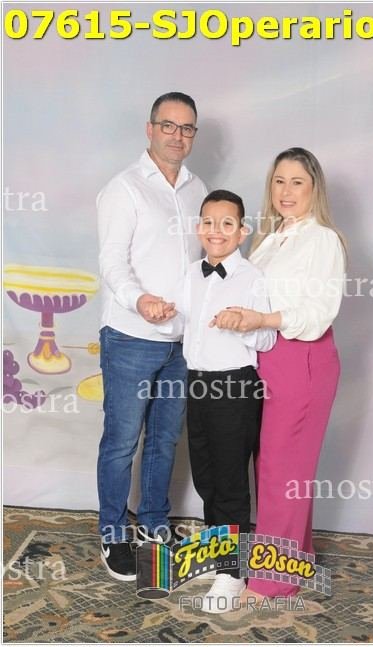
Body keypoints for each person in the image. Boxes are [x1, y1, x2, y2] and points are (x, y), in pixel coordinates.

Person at [212, 148, 346, 600]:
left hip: (303, 360)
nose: (286, 191)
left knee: (280, 469)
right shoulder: (270, 240)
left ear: (314, 188)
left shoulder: (322, 239)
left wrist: (261, 320)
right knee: (275, 465)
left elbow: (319, 313)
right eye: (279, 181)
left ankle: (272, 580)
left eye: (297, 182)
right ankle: (297, 558)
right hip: (268, 359)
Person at [97, 92, 207, 582]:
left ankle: (154, 523)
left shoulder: (198, 189)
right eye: (168, 125)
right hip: (131, 336)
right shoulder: (123, 189)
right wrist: (138, 299)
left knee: (165, 438)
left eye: (186, 128)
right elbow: (112, 260)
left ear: (193, 135)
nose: (177, 135)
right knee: (122, 441)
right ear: (150, 128)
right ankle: (113, 533)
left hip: (181, 340)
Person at [159, 189, 276, 612]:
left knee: (229, 480)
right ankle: (217, 550)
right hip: (198, 383)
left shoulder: (253, 278)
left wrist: (244, 323)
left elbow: (267, 338)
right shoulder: (192, 274)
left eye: (227, 224)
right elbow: (181, 327)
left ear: (242, 231)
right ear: (198, 228)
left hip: (234, 386)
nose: (216, 231)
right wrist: (163, 314)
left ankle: (232, 571)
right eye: (209, 222)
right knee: (206, 474)